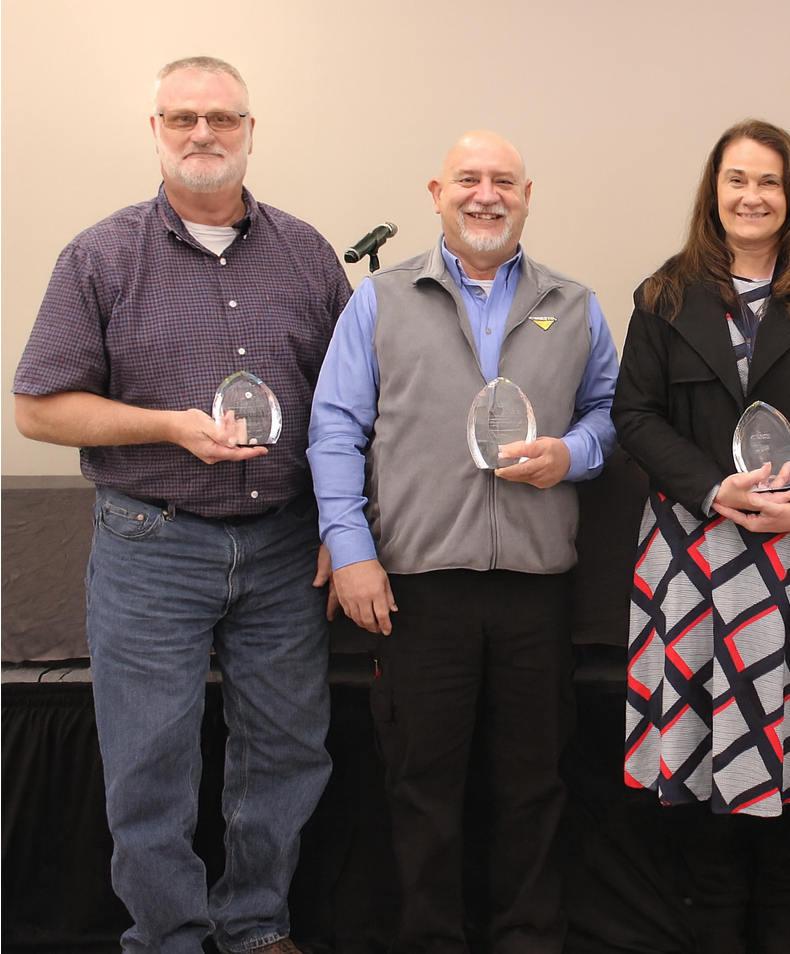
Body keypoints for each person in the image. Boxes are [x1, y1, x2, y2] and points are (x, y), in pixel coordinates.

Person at [11, 57, 350, 954]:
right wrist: (168, 426)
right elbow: (38, 408)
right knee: (150, 766)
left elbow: (352, 408)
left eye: (222, 118)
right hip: (151, 544)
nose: (203, 133)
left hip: (284, 544)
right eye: (182, 118)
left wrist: (344, 528)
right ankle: (167, 937)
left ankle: (255, 926)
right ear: (155, 131)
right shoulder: (101, 255)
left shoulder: (306, 253)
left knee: (286, 752)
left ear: (250, 129)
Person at [308, 130, 618, 954]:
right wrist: (353, 548)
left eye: (505, 182)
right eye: (470, 180)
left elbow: (613, 417)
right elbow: (334, 429)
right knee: (421, 788)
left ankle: (527, 939)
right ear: (436, 191)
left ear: (527, 194)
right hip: (415, 588)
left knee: (533, 786)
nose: (488, 195)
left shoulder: (574, 303)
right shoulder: (378, 301)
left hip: (535, 586)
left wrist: (572, 454)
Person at [612, 119, 790, 954]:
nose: (752, 196)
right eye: (737, 180)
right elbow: (636, 415)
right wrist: (709, 489)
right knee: (709, 753)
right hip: (700, 555)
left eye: (768, 182)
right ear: (715, 192)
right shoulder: (662, 296)